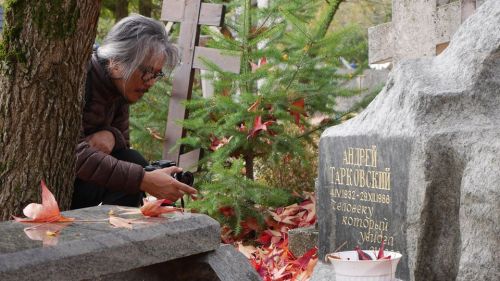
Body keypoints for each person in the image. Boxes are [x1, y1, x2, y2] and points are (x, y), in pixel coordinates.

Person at [71, 14, 196, 209]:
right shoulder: (80, 79)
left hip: (81, 182)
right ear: (117, 60)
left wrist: (112, 136)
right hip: (51, 184)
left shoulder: (119, 90)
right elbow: (70, 155)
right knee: (135, 170)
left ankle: (116, 236)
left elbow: (123, 151)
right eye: (146, 71)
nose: (151, 82)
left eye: (157, 74)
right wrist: (143, 179)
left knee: (133, 162)